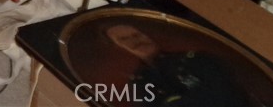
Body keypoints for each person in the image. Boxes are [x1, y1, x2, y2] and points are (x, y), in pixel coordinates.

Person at [104, 23, 255, 107]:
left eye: (137, 35)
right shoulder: (140, 81)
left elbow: (226, 96)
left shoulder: (197, 60)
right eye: (124, 39)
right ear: (118, 48)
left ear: (149, 33)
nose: (135, 41)